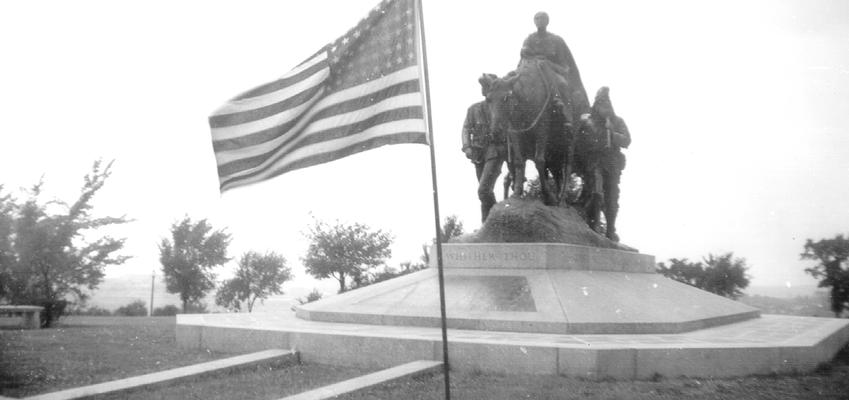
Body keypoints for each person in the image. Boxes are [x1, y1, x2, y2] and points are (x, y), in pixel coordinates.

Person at [580, 87, 630, 241]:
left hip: (612, 163)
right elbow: (579, 143)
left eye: (606, 104)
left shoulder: (617, 121)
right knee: (596, 192)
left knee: (612, 198)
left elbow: (627, 140)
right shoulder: (587, 121)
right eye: (600, 104)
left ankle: (610, 229)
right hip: (595, 161)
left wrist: (613, 133)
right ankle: (592, 224)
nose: (604, 107)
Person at [519, 12, 590, 122]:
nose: (539, 21)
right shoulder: (529, 39)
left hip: (555, 70)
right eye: (537, 18)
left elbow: (564, 64)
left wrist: (547, 62)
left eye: (542, 18)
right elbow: (524, 56)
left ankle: (562, 106)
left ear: (547, 21)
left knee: (562, 83)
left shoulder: (556, 40)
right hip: (533, 70)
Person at [462, 95, 507, 222]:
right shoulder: (473, 109)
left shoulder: (500, 108)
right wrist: (466, 147)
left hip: (494, 152)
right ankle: (488, 224)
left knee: (483, 190)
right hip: (478, 154)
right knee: (485, 192)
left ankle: (496, 219)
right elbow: (465, 129)